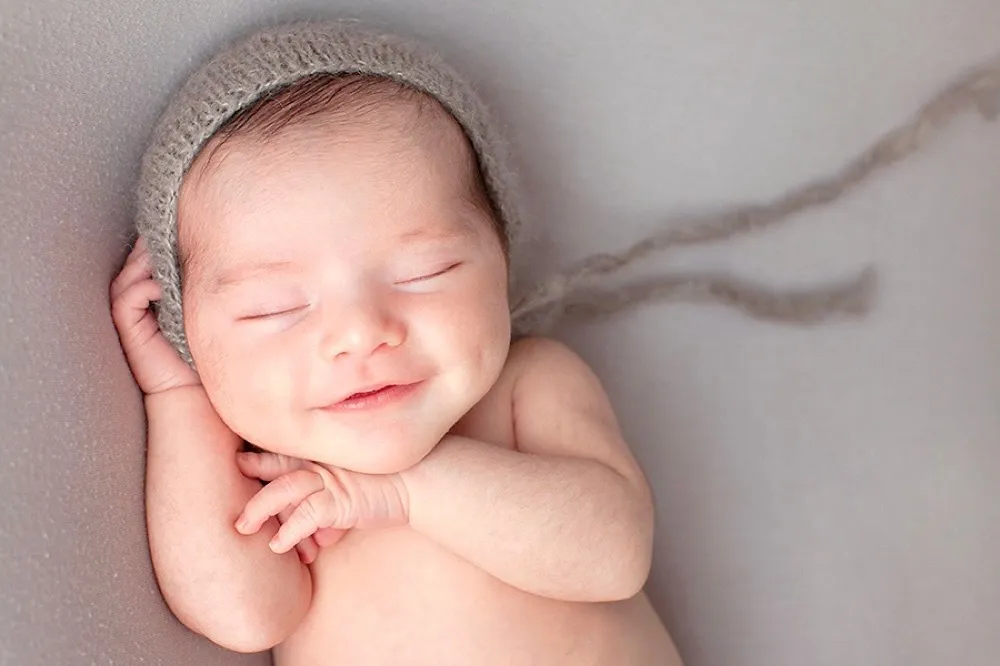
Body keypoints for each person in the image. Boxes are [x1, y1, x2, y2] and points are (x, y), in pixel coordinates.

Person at [111, 21, 685, 665]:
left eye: (424, 274)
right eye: (274, 310)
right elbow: (242, 614)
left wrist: (405, 492)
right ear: (190, 333)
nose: (360, 333)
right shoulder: (268, 470)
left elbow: (613, 556)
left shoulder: (530, 382)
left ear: (500, 257)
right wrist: (180, 399)